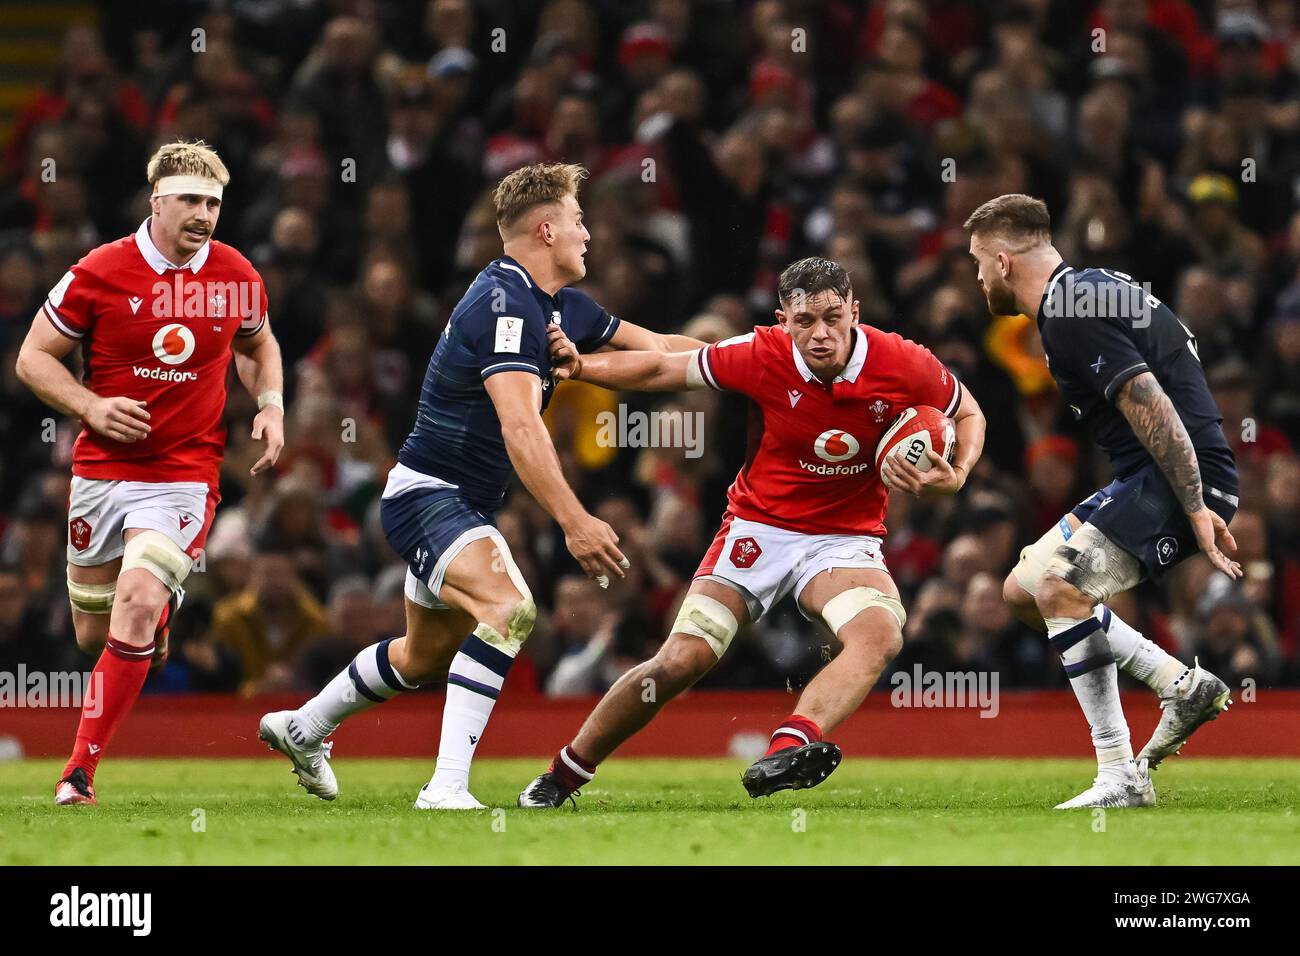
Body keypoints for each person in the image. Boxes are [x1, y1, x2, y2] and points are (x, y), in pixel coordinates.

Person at [259, 163, 702, 809]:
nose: (588, 235)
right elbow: (520, 425)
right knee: (511, 608)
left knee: (421, 658)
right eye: (579, 222)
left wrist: (762, 357)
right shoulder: (505, 305)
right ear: (546, 229)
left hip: (450, 501)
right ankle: (446, 789)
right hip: (429, 497)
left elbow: (662, 351)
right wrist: (575, 520)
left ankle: (304, 727)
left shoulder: (558, 305)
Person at [518, 256, 986, 807]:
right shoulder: (761, 354)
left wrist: (954, 477)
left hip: (843, 537)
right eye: (805, 320)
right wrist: (582, 367)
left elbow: (968, 413)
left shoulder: (902, 361)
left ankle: (788, 747)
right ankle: (562, 775)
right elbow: (665, 369)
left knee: (880, 634)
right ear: (783, 320)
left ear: (854, 313)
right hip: (758, 528)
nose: (820, 333)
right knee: (680, 661)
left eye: (833, 317)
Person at [14, 141, 285, 805]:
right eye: (190, 200)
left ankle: (77, 773)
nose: (203, 215)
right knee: (92, 633)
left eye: (214, 203)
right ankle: (156, 621)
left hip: (184, 473)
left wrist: (272, 404)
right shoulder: (99, 271)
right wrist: (90, 405)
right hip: (102, 473)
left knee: (134, 603)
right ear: (156, 200)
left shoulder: (235, 273)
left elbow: (257, 343)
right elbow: (32, 358)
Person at [964, 193, 1241, 809]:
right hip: (1151, 472)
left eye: (978, 262)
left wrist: (1196, 505)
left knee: (1061, 587)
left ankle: (1119, 774)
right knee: (1022, 589)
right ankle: (1179, 685)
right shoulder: (1090, 288)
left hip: (1177, 473)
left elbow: (1149, 402)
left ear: (1004, 261)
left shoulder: (1068, 310)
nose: (977, 276)